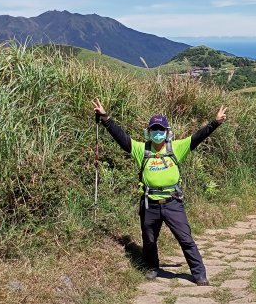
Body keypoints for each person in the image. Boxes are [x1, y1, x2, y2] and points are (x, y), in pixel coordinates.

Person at [92, 98, 227, 286]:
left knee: (185, 239)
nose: (157, 133)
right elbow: (122, 138)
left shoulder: (176, 148)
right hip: (149, 204)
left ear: (166, 132)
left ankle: (199, 273)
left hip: (172, 203)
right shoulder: (142, 149)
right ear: (149, 132)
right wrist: (106, 119)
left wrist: (215, 123)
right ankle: (153, 267)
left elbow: (197, 137)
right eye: (154, 129)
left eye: (161, 130)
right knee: (149, 240)